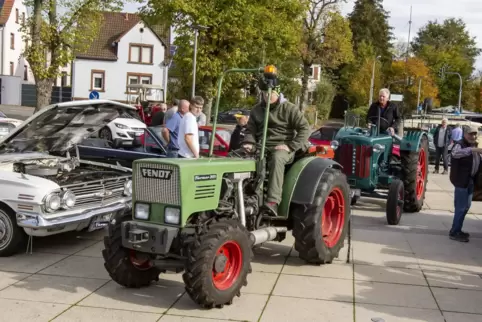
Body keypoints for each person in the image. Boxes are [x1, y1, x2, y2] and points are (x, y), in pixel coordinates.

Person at [242, 85, 310, 215]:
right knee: (236, 156)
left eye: (270, 93)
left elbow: (305, 128)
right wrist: (249, 142)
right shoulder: (256, 110)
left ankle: (272, 202)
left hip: (282, 147)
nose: (267, 96)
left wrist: (290, 146)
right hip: (260, 146)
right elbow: (250, 129)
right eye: (265, 93)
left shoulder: (289, 108)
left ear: (278, 93)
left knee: (277, 158)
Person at [449, 125, 482, 242]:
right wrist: (473, 150)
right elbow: (455, 154)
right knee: (461, 207)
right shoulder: (460, 144)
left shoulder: (474, 145)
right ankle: (454, 232)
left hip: (470, 181)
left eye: (475, 134)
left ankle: (458, 229)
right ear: (465, 134)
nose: (473, 136)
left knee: (466, 207)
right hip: (461, 181)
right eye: (470, 134)